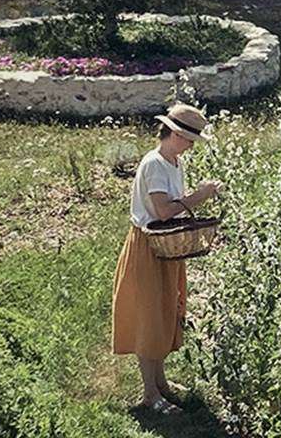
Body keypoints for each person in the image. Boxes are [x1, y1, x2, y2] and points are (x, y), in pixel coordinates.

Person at [111, 103, 220, 416]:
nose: (190, 145)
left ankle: (159, 382)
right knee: (150, 316)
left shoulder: (173, 162)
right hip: (149, 246)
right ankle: (149, 394)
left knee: (164, 312)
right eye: (188, 139)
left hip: (165, 247)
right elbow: (162, 212)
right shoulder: (156, 163)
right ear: (173, 133)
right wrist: (200, 196)